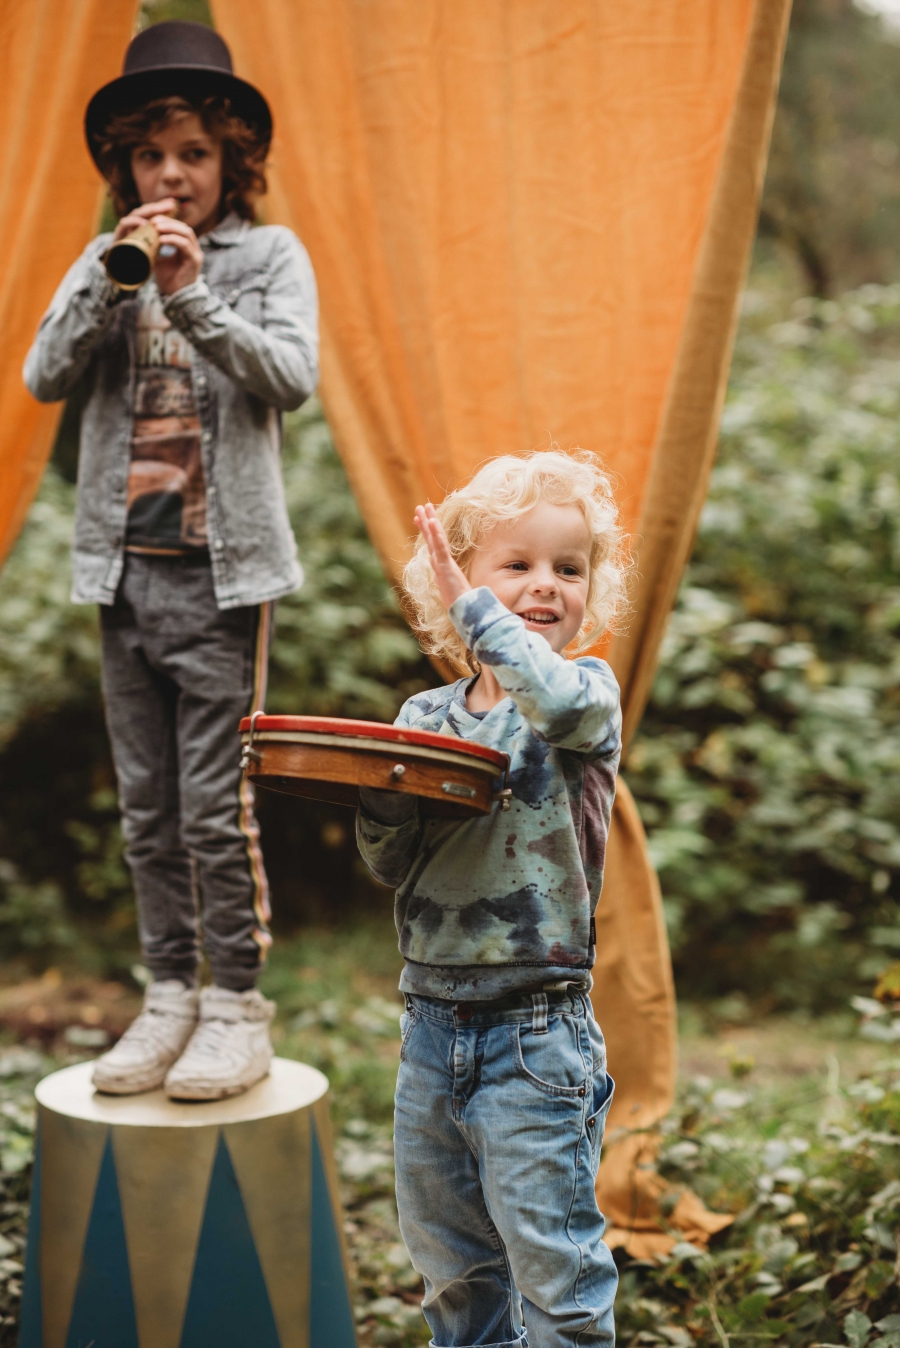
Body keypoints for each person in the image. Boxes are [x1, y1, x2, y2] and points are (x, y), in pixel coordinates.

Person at [24, 22, 318, 1101]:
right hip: (122, 572)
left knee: (212, 807)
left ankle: (236, 1001)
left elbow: (289, 376)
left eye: (193, 154)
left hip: (220, 577)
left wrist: (193, 295)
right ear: (127, 169)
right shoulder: (110, 262)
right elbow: (45, 374)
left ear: (231, 159)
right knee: (144, 807)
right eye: (152, 158)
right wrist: (115, 281)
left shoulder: (268, 257)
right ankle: (168, 994)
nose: (171, 175)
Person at [356, 449, 627, 1347]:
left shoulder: (585, 694)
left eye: (569, 567)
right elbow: (392, 861)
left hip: (536, 1031)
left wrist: (484, 615)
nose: (545, 586)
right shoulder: (424, 718)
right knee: (454, 1273)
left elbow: (543, 697)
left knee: (557, 1276)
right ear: (459, 581)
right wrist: (380, 798)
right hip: (429, 1028)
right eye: (517, 566)